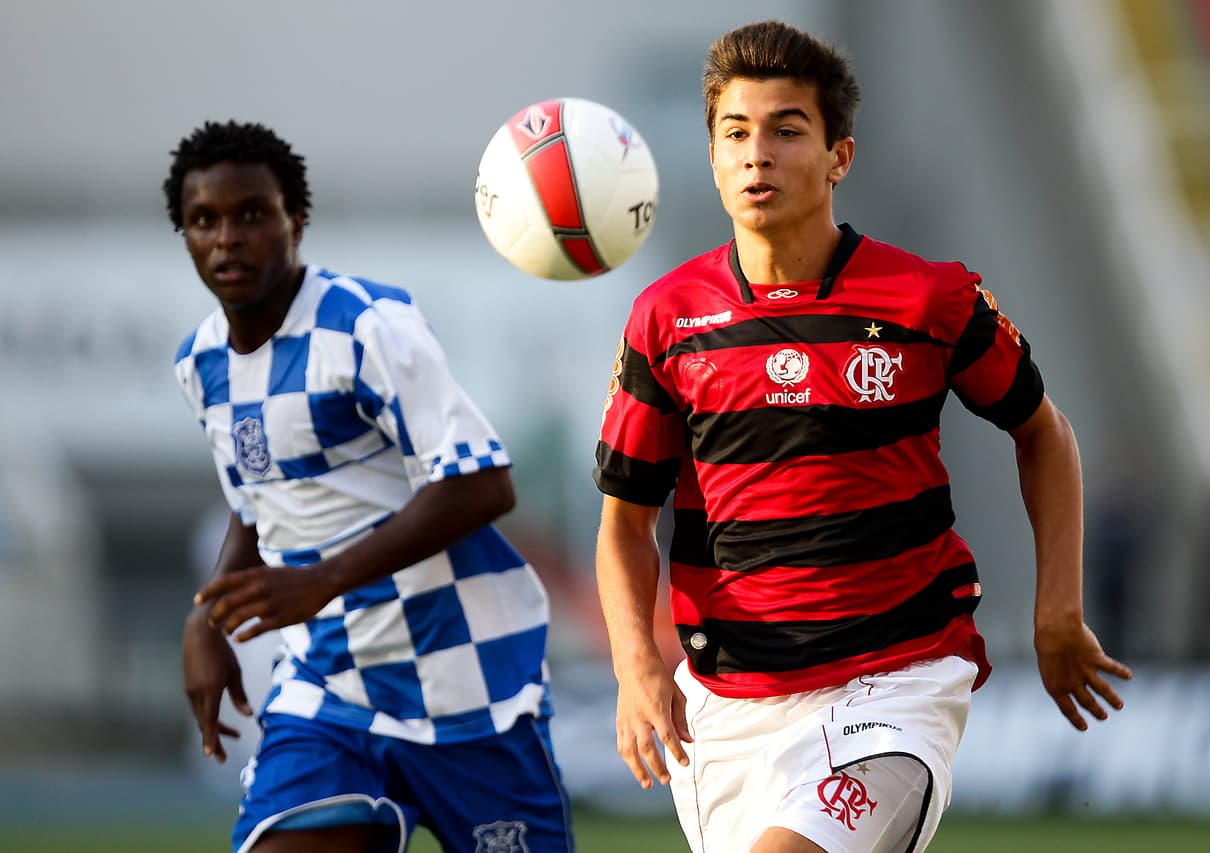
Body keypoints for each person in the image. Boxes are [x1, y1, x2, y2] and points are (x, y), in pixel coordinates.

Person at [593, 21, 1132, 853]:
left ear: (841, 156)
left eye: (786, 129)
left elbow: (1045, 433)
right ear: (710, 154)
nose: (756, 154)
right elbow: (625, 524)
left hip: (896, 678)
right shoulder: (666, 320)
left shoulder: (930, 299)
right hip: (729, 702)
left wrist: (1057, 609)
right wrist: (636, 666)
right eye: (735, 133)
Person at [166, 120, 573, 853]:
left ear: (296, 220)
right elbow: (257, 496)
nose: (228, 238)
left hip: (469, 682)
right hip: (331, 689)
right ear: (186, 236)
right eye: (205, 221)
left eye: (252, 214)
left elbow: (483, 483)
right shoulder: (200, 364)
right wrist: (208, 618)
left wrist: (322, 579)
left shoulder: (364, 323)